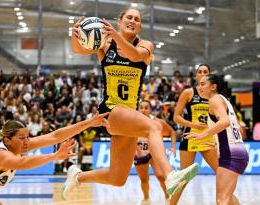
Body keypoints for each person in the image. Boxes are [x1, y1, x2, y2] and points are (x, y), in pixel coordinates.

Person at [62, 8, 199, 200]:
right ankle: (170, 175)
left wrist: (116, 36)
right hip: (110, 110)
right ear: (119, 21)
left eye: (137, 19)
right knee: (153, 126)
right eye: (129, 17)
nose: (133, 21)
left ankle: (77, 176)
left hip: (128, 114)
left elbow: (134, 55)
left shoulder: (145, 45)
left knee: (117, 178)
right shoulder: (105, 44)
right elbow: (78, 49)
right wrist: (75, 34)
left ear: (140, 26)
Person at [0, 113, 109, 205]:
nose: (27, 142)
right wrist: (55, 156)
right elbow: (22, 163)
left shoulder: (19, 146)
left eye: (28, 137)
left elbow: (55, 135)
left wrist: (88, 123)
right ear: (7, 140)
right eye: (22, 138)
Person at [185, 74, 249, 205]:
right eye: (198, 84)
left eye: (203, 84)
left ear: (213, 87)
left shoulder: (214, 100)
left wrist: (202, 135)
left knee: (221, 200)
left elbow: (225, 122)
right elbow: (235, 128)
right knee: (228, 198)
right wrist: (217, 142)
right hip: (238, 151)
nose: (199, 87)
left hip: (230, 154)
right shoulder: (224, 101)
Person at [171, 64, 218, 205]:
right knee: (183, 178)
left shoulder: (215, 95)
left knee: (222, 173)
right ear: (196, 75)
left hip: (208, 138)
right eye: (200, 72)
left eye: (206, 72)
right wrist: (193, 125)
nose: (203, 74)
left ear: (210, 75)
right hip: (191, 137)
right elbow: (176, 117)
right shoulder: (188, 93)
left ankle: (224, 201)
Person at [134, 101, 177, 203]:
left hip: (154, 153)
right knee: (144, 179)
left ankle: (167, 197)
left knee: (161, 176)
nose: (143, 110)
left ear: (151, 110)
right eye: (141, 107)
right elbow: (129, 137)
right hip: (140, 153)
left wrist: (173, 147)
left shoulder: (157, 122)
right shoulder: (133, 122)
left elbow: (172, 132)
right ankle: (146, 199)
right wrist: (137, 149)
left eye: (146, 108)